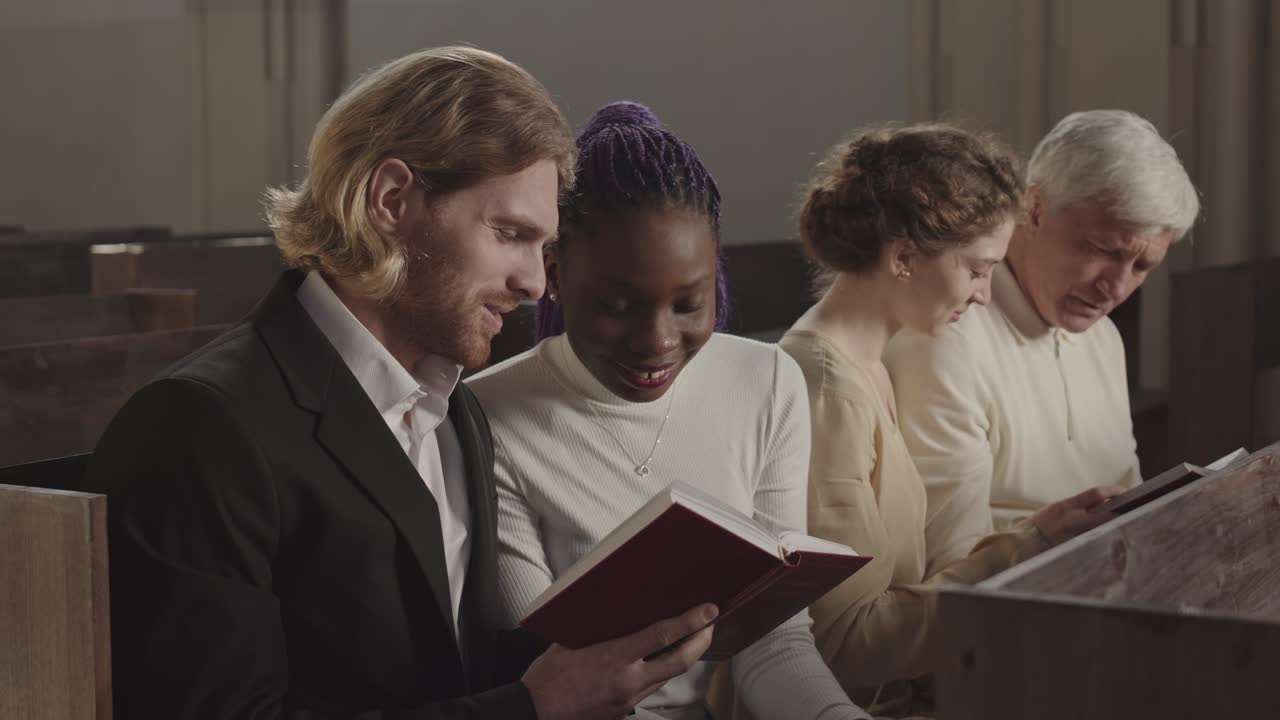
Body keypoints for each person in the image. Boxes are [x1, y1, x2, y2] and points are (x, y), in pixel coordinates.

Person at [85, 47, 715, 719]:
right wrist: (533, 707)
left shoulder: (453, 408)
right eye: (510, 233)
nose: (535, 283)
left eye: (544, 248)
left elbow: (443, 665)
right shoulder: (199, 425)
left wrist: (603, 654)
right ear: (391, 200)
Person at [467, 101, 873, 720]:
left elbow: (774, 644)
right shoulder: (486, 416)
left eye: (688, 304)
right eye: (619, 306)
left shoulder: (766, 382)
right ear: (554, 273)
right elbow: (550, 672)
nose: (658, 341)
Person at [772, 124, 1123, 717]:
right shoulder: (827, 390)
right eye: (979, 270)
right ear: (904, 257)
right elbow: (840, 645)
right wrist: (1026, 549)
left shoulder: (870, 364)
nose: (985, 294)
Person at [883, 110, 1201, 573]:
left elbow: (1130, 504)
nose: (1116, 290)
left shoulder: (1103, 336)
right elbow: (943, 565)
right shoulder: (944, 336)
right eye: (1102, 250)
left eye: (1142, 267)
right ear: (1034, 208)